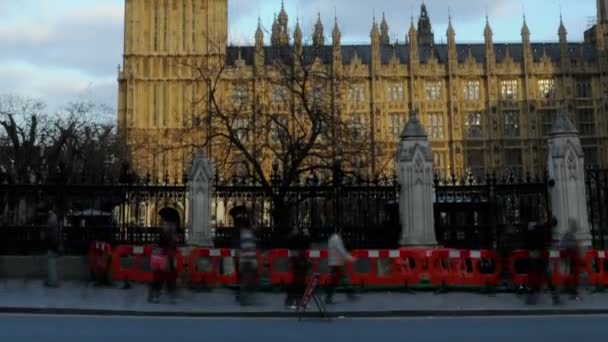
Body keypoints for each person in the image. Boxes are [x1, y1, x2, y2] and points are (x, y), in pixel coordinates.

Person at [231, 206, 257, 306]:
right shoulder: (242, 232)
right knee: (245, 278)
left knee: (246, 278)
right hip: (245, 258)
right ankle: (242, 297)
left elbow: (251, 245)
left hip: (246, 258)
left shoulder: (246, 232)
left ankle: (242, 296)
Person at [148, 218, 179, 304]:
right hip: (161, 259)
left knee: (170, 279)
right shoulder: (160, 235)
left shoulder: (173, 235)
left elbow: (175, 246)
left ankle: (170, 297)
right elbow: (156, 246)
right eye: (166, 224)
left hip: (170, 259)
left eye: (170, 225)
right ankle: (155, 295)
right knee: (159, 279)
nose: (169, 226)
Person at [325, 230, 356, 305]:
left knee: (340, 279)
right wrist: (350, 258)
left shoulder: (332, 239)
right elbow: (341, 251)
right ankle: (328, 298)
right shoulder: (336, 240)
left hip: (335, 262)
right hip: (336, 263)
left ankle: (349, 293)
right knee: (335, 281)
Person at [285, 227, 311, 310]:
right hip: (299, 261)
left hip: (300, 260)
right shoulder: (296, 239)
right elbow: (305, 243)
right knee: (297, 283)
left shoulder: (294, 238)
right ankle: (292, 301)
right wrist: (306, 235)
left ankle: (298, 302)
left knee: (299, 282)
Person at [559, 219, 581, 300]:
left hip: (570, 257)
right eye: (574, 226)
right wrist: (575, 244)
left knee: (570, 272)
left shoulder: (569, 234)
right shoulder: (569, 234)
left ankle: (569, 288)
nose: (575, 228)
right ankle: (570, 289)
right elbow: (563, 244)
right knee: (570, 273)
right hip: (569, 257)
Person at [45, 206, 61, 288]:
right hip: (54, 242)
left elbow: (49, 231)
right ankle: (52, 280)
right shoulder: (55, 218)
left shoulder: (51, 219)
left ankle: (52, 281)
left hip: (52, 243)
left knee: (51, 261)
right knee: (53, 261)